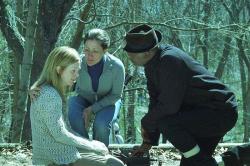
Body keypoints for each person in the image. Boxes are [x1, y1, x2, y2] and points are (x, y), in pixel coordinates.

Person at [123, 24, 238, 166]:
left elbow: (169, 107)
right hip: (199, 114)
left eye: (131, 53)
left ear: (146, 52)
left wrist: (146, 122)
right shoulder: (151, 65)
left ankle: (210, 162)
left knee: (167, 123)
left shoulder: (169, 60)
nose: (129, 57)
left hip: (218, 112)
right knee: (191, 163)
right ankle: (225, 161)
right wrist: (148, 142)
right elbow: (155, 102)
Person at [30, 46, 124, 166]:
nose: (76, 75)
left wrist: (91, 144)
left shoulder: (52, 91)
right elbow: (59, 135)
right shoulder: (49, 95)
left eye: (78, 71)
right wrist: (92, 145)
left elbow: (66, 130)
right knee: (115, 164)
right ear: (59, 70)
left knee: (104, 154)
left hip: (63, 151)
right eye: (73, 71)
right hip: (54, 159)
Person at [68, 28, 125, 146]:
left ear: (105, 50)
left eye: (95, 51)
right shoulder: (77, 61)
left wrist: (92, 109)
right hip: (84, 98)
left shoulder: (117, 66)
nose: (89, 55)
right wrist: (39, 86)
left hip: (109, 101)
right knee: (72, 110)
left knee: (101, 125)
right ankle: (84, 150)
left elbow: (116, 95)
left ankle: (100, 156)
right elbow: (58, 76)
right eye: (86, 50)